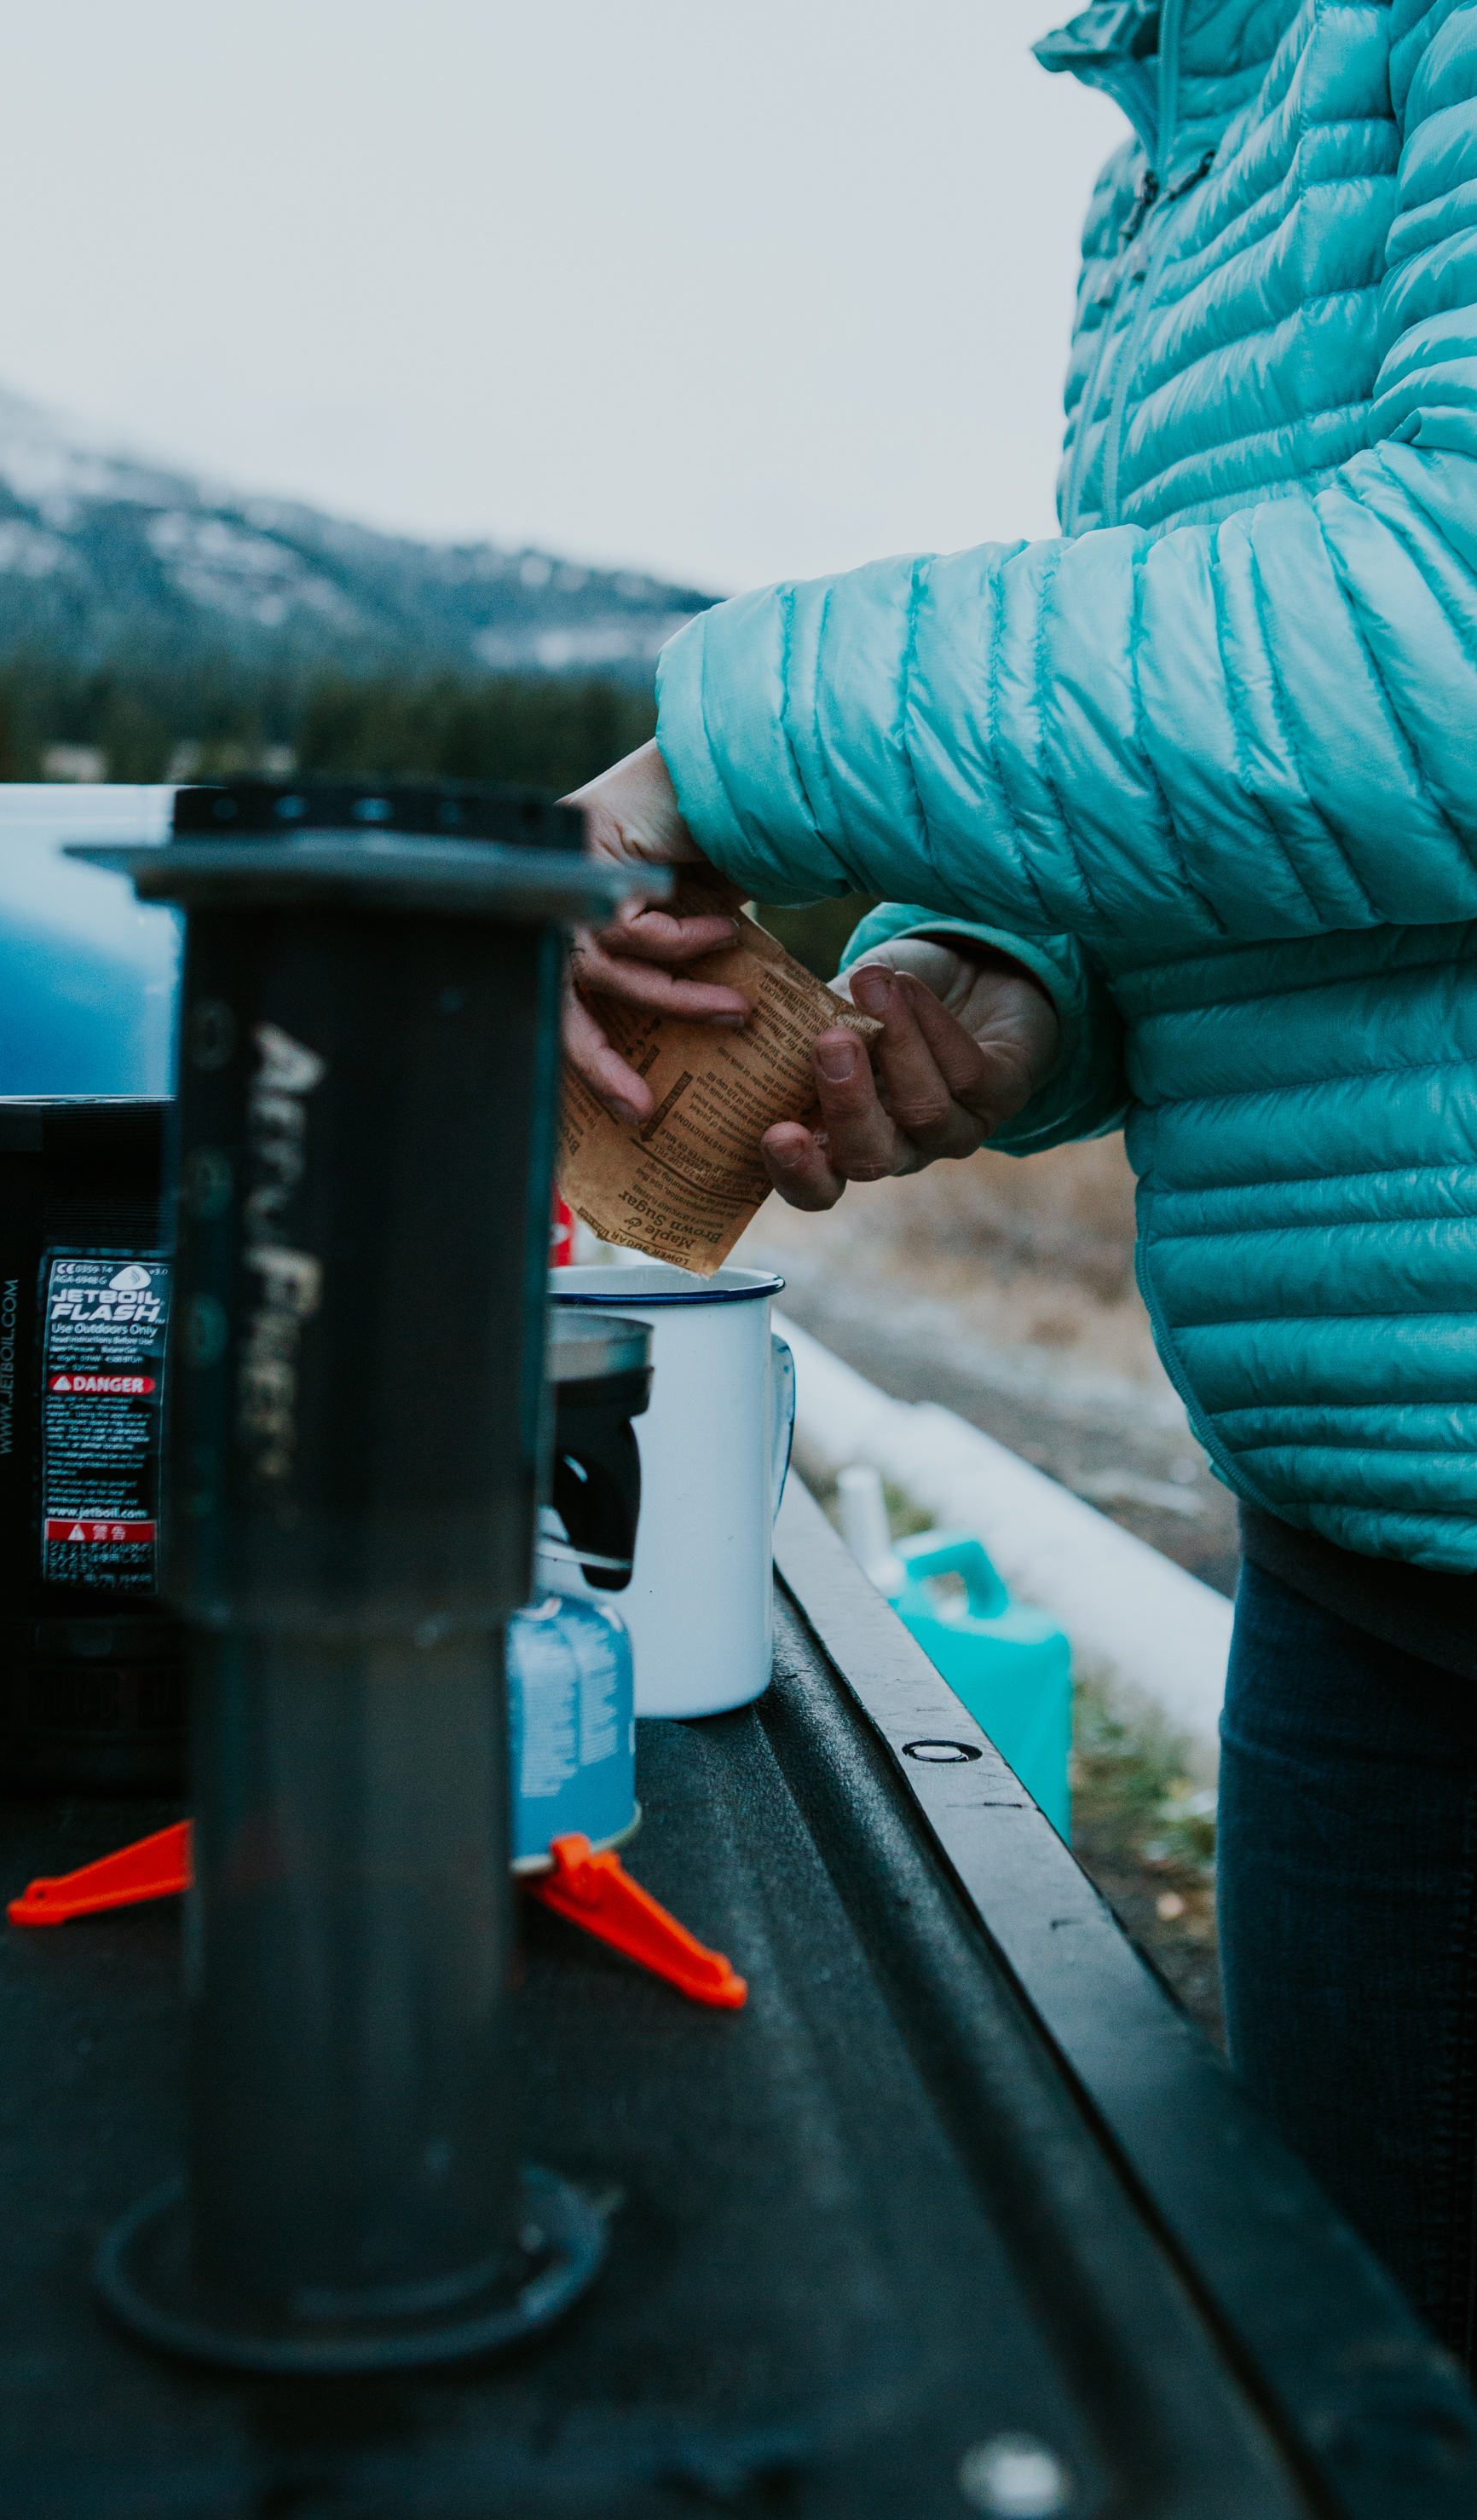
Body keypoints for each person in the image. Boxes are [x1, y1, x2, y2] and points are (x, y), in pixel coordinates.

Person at [561, 0, 1477, 2371]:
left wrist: (733, 749)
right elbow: (1246, 770)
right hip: (1354, 1523)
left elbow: (1451, 622)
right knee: (1343, 2375)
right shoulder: (1172, 138)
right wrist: (1005, 990)